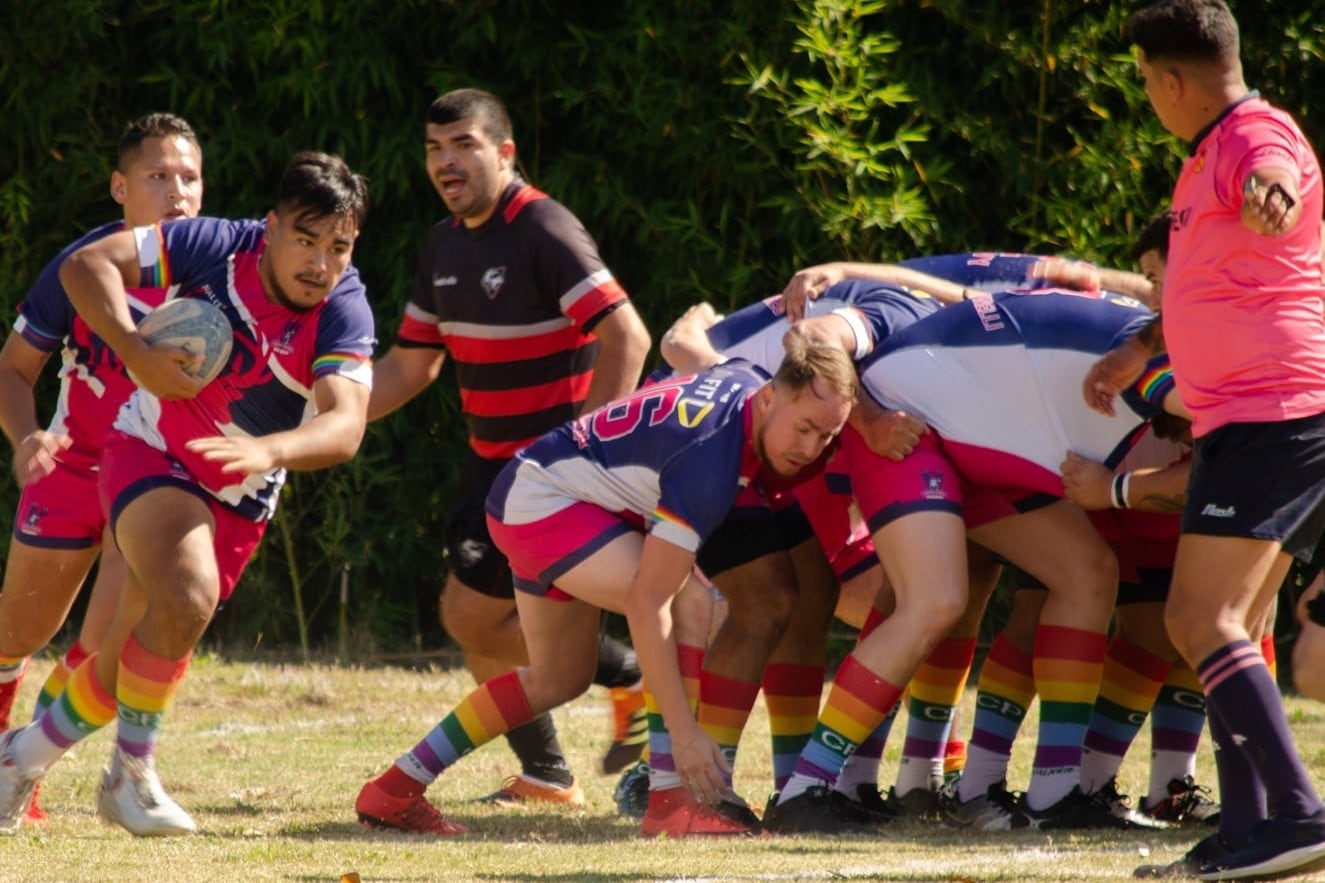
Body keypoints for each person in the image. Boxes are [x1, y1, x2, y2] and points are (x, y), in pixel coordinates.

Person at [0, 150, 374, 837]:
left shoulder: (343, 310)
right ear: (270, 228)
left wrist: (265, 450)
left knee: (133, 648)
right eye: (306, 239)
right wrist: (136, 352)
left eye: (339, 247)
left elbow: (344, 425)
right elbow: (87, 268)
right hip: (149, 447)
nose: (320, 263)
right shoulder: (214, 244)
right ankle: (129, 775)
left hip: (239, 490)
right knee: (186, 595)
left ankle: (18, 757)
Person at [353, 334, 858, 837]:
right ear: (770, 398)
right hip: (547, 501)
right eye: (805, 428)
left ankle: (395, 788)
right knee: (690, 601)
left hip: (537, 488)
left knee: (559, 678)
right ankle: (670, 802)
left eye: (827, 436)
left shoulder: (749, 377)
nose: (811, 448)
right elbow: (649, 600)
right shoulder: (713, 457)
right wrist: (685, 735)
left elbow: (691, 351)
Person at [1087, 2, 1325, 877]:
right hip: (1259, 415)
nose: (1149, 95)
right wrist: (1141, 347)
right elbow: (1212, 280)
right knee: (1236, 623)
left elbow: (1275, 181)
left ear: (1172, 79)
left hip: (1274, 414)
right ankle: (1246, 830)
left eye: (1146, 80)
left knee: (1198, 616)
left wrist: (1273, 194)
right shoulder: (1207, 152)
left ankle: (1298, 812)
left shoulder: (1251, 138)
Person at [367, 88, 652, 804]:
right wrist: (319, 418)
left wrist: (588, 458)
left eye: (462, 144)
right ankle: (561, 754)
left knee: (471, 617)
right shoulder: (441, 244)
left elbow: (628, 334)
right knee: (477, 623)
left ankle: (611, 694)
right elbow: (409, 364)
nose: (445, 161)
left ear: (504, 152)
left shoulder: (543, 228)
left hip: (549, 472)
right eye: (434, 148)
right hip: (491, 465)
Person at [0, 112, 205, 823]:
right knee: (17, 634)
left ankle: (31, 773)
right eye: (157, 176)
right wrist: (26, 438)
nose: (176, 191)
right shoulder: (82, 265)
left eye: (189, 177)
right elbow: (14, 371)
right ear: (120, 187)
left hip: (149, 480)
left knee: (103, 648)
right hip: (72, 466)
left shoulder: (224, 271)